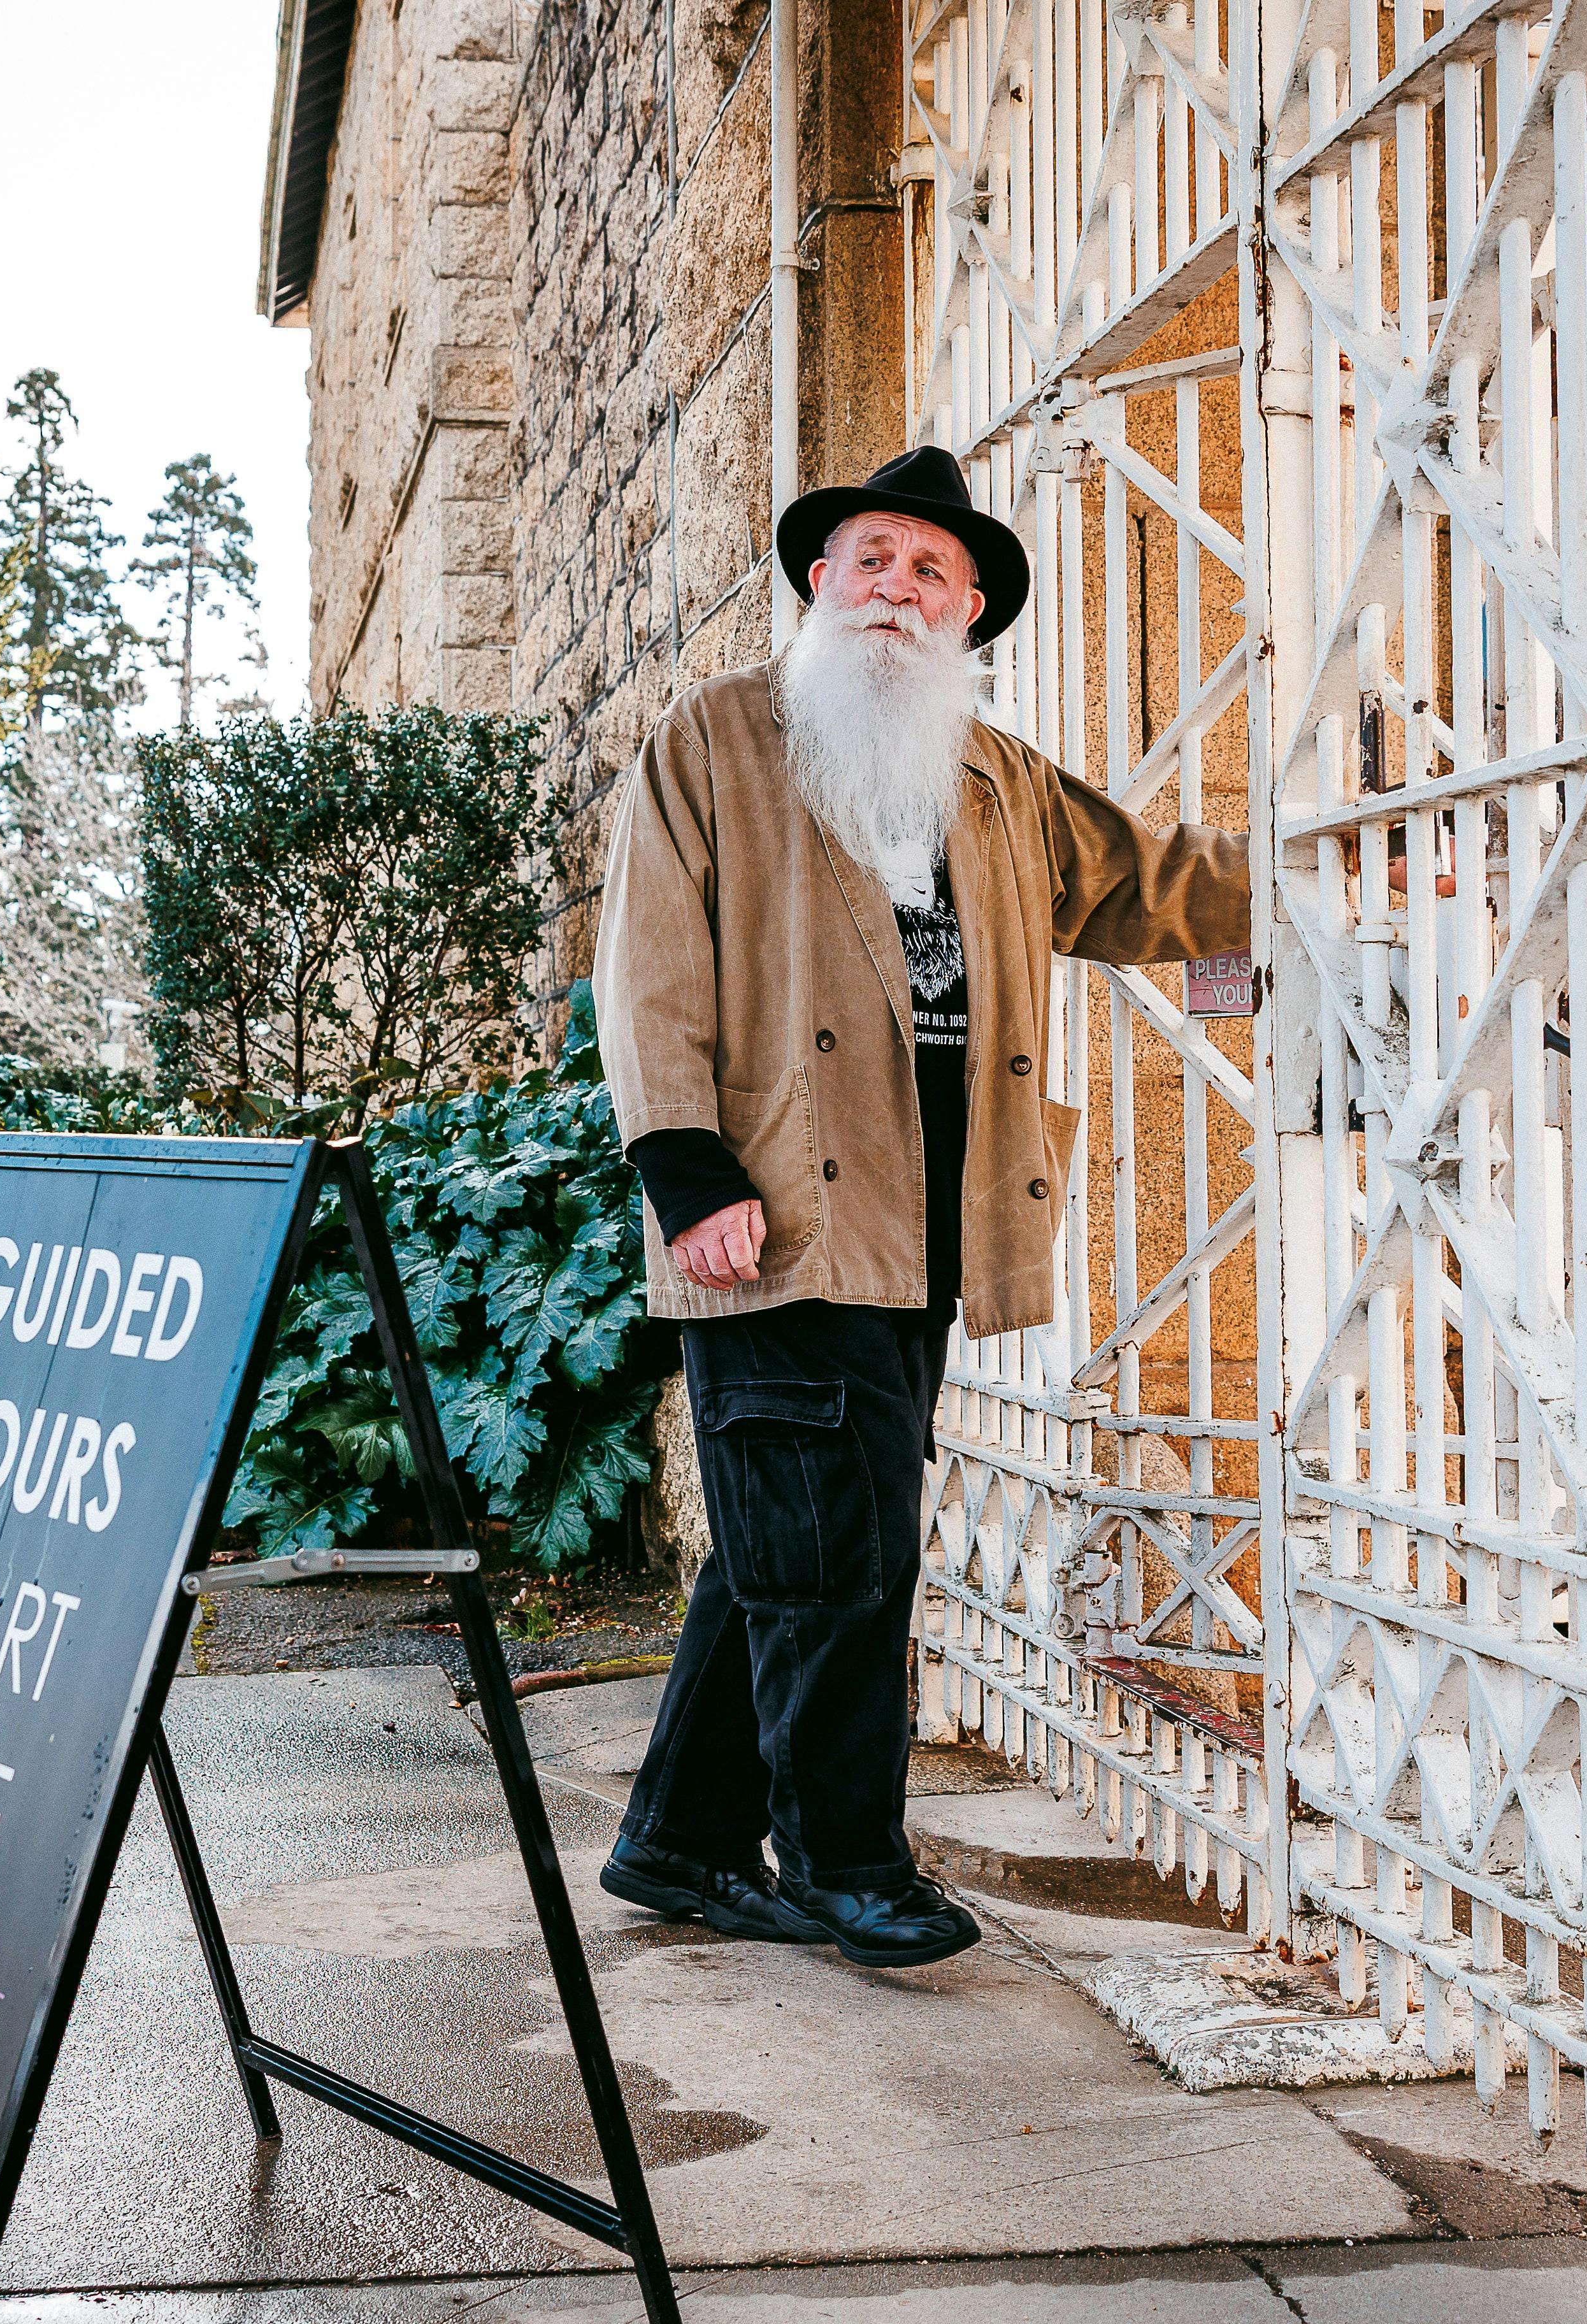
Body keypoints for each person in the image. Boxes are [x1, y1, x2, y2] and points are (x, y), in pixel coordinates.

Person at [591, 445, 1260, 1969]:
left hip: (928, 1223)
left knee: (789, 1539)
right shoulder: (718, 740)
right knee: (844, 1556)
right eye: (873, 560)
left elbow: (1151, 884)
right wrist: (685, 1171)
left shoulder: (998, 780)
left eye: (930, 573)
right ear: (821, 581)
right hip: (774, 1212)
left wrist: (1334, 866)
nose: (897, 589)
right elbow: (648, 969)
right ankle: (848, 1865)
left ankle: (679, 1842)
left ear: (969, 617)